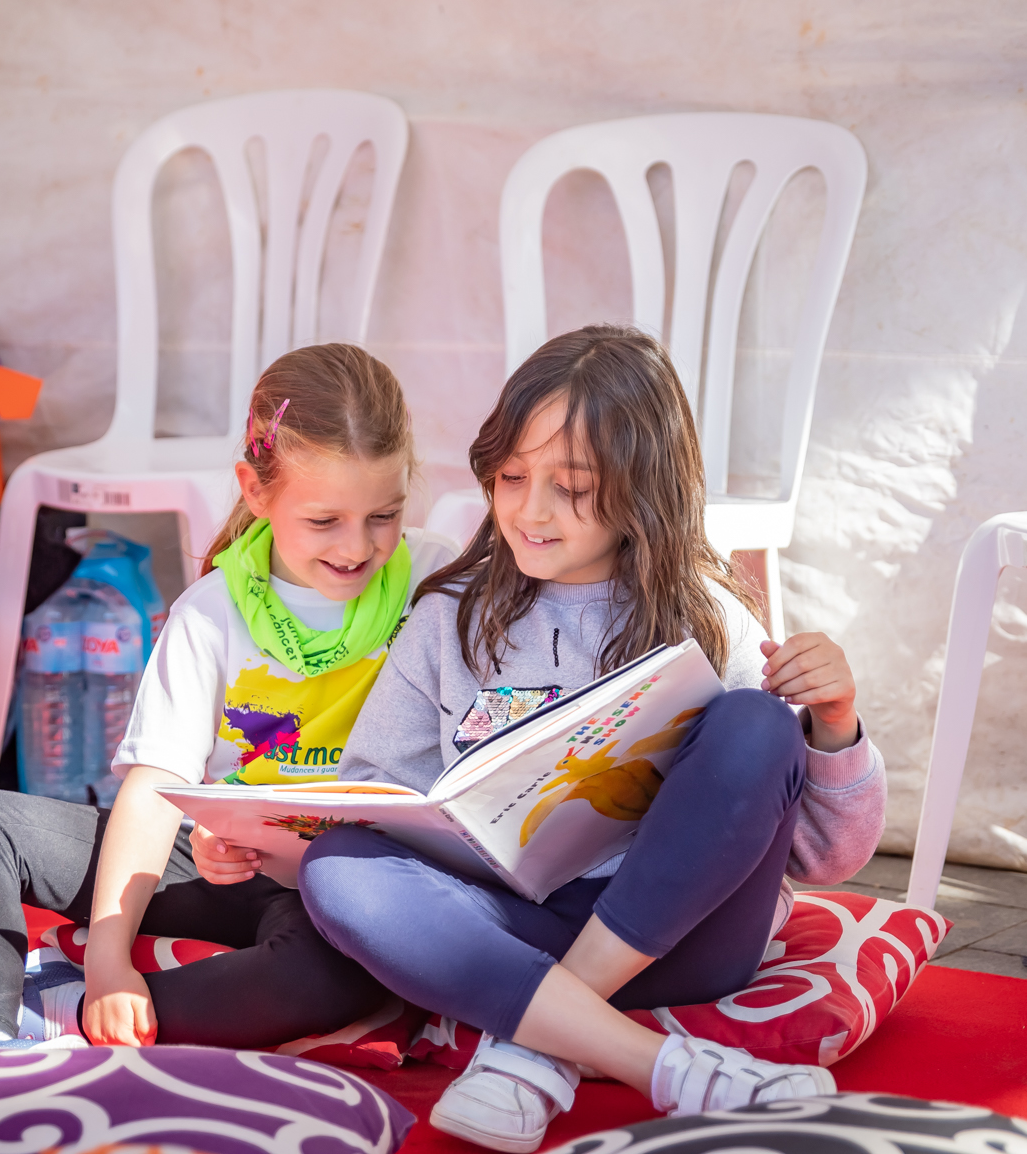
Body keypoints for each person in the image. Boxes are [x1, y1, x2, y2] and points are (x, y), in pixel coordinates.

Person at [297, 325, 886, 1152]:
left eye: (571, 487)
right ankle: (664, 1065)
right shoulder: (448, 618)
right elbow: (373, 793)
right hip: (508, 929)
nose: (531, 510)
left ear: (642, 488)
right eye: (511, 477)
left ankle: (533, 1047)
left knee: (756, 724)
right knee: (337, 867)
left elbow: (827, 858)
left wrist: (835, 723)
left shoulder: (709, 618)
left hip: (681, 940)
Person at [0, 342, 457, 1053]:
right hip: (220, 864)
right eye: (325, 521)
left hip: (349, 888)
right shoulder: (211, 611)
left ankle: (53, 1014)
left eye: (384, 515)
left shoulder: (439, 579)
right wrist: (109, 960)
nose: (357, 548)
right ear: (255, 491)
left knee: (342, 973)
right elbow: (154, 788)